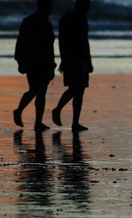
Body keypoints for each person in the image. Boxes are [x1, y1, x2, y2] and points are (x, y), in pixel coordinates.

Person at [13, 0, 56, 131]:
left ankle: (26, 115)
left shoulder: (29, 20)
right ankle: (35, 121)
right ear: (47, 7)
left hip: (32, 61)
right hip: (40, 62)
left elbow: (20, 42)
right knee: (39, 91)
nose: (52, 10)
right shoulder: (43, 22)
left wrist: (20, 60)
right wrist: (52, 63)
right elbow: (48, 46)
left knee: (35, 90)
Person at [52, 0, 93, 132]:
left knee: (74, 89)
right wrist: (89, 61)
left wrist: (63, 59)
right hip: (79, 59)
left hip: (69, 58)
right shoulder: (81, 19)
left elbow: (61, 41)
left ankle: (65, 115)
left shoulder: (65, 18)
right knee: (78, 90)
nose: (87, 9)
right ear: (82, 6)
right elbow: (84, 42)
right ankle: (71, 120)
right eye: (86, 7)